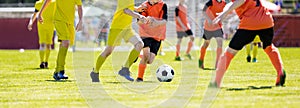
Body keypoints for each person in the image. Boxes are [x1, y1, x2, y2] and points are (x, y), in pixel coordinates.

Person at [211, 0, 286, 87]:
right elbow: (233, 3)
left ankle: (216, 82)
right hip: (266, 21)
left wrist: (224, 14)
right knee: (268, 47)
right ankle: (280, 71)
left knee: (229, 52)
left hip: (250, 22)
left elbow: (241, 0)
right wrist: (224, 12)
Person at [89, 0, 148, 82]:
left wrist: (137, 9)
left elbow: (127, 7)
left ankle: (125, 69)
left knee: (139, 44)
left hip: (127, 28)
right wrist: (139, 16)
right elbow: (125, 10)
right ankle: (95, 72)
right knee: (108, 51)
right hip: (117, 28)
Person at [38, 0, 83, 80]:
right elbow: (48, 1)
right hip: (59, 20)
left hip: (69, 23)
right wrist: (40, 13)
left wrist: (80, 21)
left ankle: (58, 71)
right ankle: (59, 71)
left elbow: (79, 7)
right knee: (66, 42)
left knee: (64, 44)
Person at [135, 0, 168, 82]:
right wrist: (145, 20)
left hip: (157, 36)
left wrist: (156, 22)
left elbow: (164, 21)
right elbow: (138, 22)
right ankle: (139, 78)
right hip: (145, 34)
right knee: (146, 55)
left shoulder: (163, 5)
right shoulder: (144, 6)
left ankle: (137, 54)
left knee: (149, 61)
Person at [198, 0, 226, 69]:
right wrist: (209, 20)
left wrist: (221, 19)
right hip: (208, 27)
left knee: (220, 43)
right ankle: (201, 61)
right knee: (206, 44)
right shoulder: (211, 1)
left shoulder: (224, 3)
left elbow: (224, 13)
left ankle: (217, 65)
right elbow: (203, 11)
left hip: (218, 27)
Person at [27, 0, 56, 69]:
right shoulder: (38, 3)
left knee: (49, 45)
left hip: (51, 26)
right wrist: (31, 22)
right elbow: (34, 14)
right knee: (42, 44)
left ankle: (46, 61)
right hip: (41, 25)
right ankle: (41, 62)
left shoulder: (54, 2)